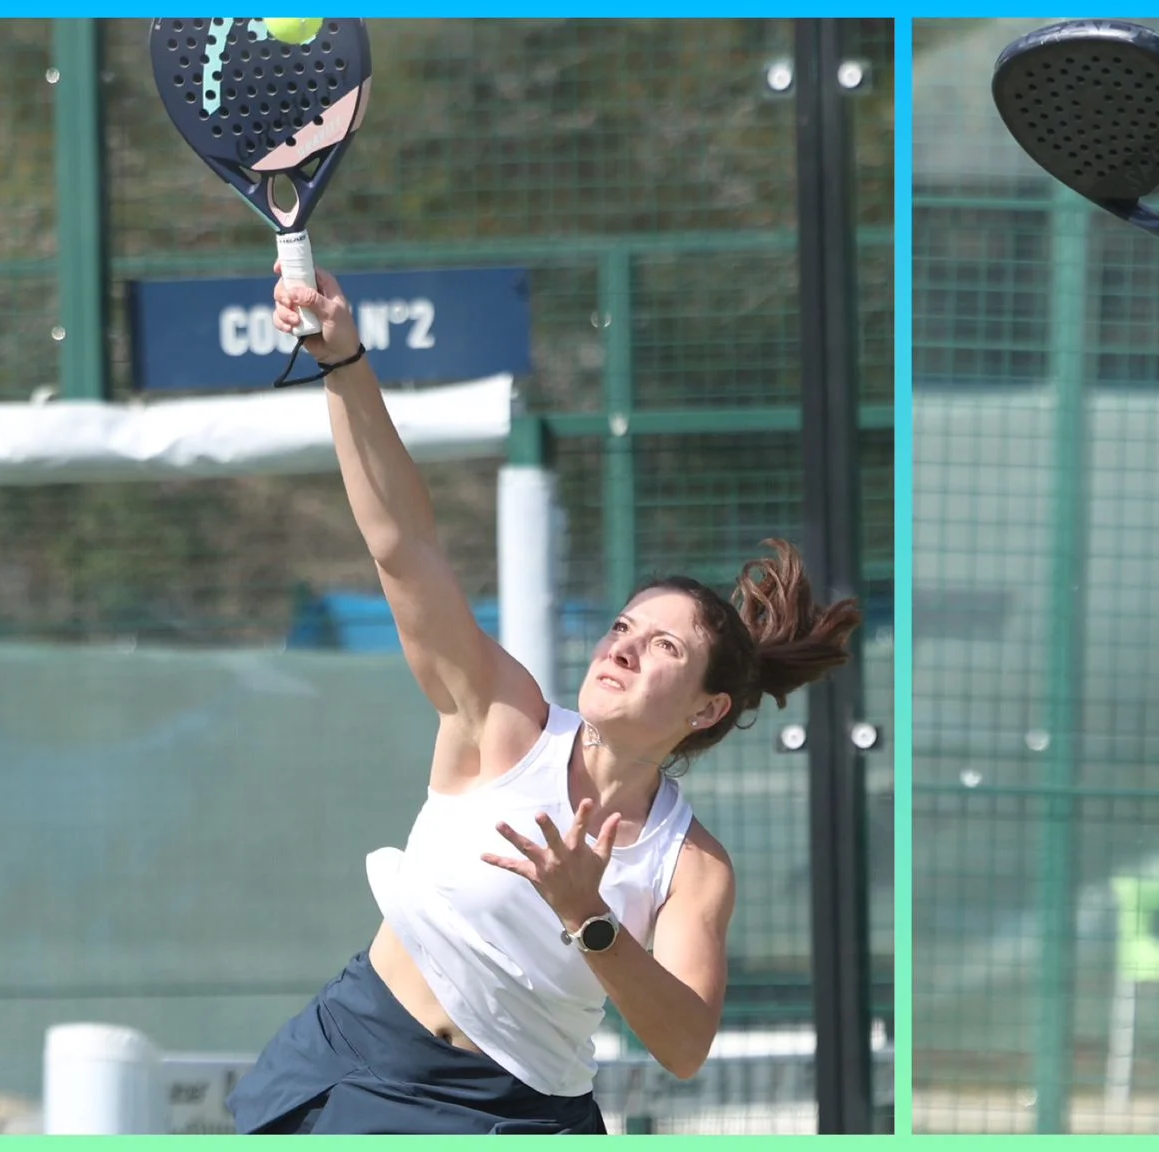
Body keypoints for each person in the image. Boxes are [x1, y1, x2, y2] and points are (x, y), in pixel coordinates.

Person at [225, 267, 862, 1134]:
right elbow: (403, 547)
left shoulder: (693, 867)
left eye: (664, 646)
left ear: (707, 710)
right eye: (626, 626)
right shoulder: (503, 719)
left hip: (511, 1113)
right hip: (358, 1051)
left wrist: (587, 915)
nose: (625, 644)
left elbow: (683, 1043)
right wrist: (344, 364)